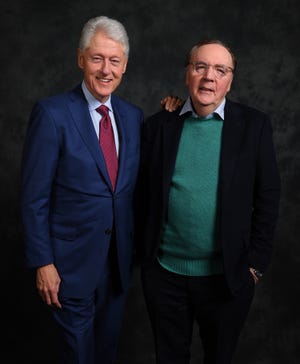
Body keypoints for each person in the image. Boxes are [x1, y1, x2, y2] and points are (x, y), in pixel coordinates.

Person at [135, 39, 281, 364]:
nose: (209, 77)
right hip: (165, 276)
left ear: (231, 80)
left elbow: (268, 197)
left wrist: (255, 264)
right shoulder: (160, 125)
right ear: (188, 74)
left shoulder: (253, 126)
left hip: (227, 278)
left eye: (220, 70)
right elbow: (140, 193)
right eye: (200, 67)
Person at [20, 15, 144, 364]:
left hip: (117, 264)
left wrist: (176, 108)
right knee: (77, 356)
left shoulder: (132, 117)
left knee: (106, 353)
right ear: (80, 59)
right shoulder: (52, 114)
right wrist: (43, 261)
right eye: (97, 59)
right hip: (68, 267)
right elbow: (34, 197)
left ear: (125, 66)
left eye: (114, 61)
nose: (106, 70)